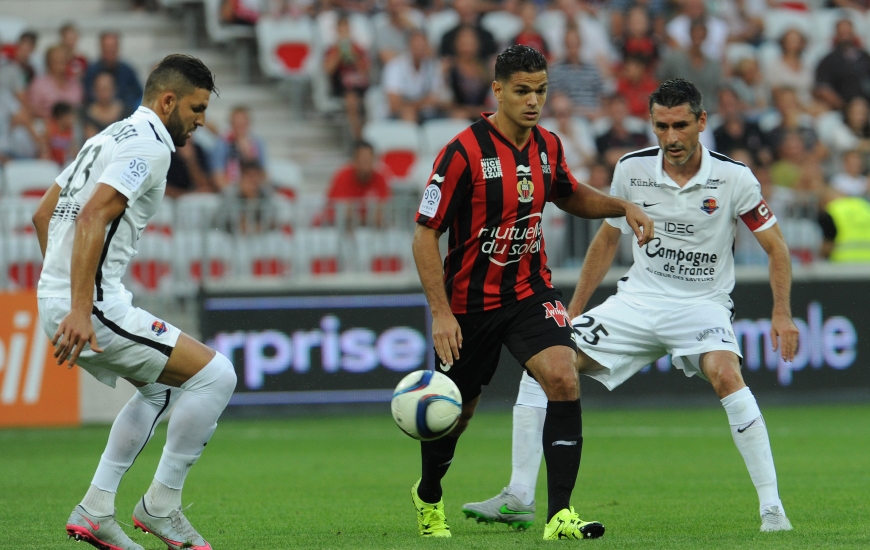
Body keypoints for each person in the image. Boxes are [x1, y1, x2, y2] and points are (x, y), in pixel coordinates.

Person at [462, 78, 798, 534]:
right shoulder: (632, 170)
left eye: (681, 125)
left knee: (725, 373)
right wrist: (573, 311)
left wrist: (782, 312)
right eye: (662, 126)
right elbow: (605, 239)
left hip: (701, 305)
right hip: (637, 301)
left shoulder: (733, 177)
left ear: (701, 122)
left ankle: (772, 509)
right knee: (546, 364)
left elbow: (777, 248)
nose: (672, 137)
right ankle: (519, 494)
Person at [411, 44, 653, 541]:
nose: (533, 101)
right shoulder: (462, 152)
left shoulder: (548, 145)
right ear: (497, 89)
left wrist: (619, 206)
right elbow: (424, 234)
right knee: (455, 415)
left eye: (541, 91)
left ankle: (560, 515)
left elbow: (567, 193)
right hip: (469, 306)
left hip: (529, 292)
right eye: (522, 91)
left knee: (563, 377)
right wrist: (440, 313)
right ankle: (429, 492)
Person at [32, 54, 233, 550]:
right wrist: (80, 306)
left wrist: (61, 290)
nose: (201, 120)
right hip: (91, 305)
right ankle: (161, 506)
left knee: (158, 390)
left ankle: (97, 508)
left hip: (69, 297)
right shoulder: (150, 145)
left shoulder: (107, 136)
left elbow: (43, 214)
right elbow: (91, 218)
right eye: (197, 107)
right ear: (168, 101)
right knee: (217, 375)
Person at [382, 30, 447, 122]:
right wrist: (423, 102)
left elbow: (437, 99)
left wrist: (419, 104)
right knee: (408, 113)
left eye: (422, 46)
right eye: (416, 46)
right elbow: (394, 105)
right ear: (408, 46)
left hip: (428, 114)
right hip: (398, 117)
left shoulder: (433, 66)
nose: (420, 50)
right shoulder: (395, 66)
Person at [323, 14, 370, 140]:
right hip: (341, 86)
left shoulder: (358, 49)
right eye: (341, 30)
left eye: (346, 29)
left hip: (359, 84)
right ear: (337, 32)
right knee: (351, 101)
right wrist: (339, 52)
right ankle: (358, 138)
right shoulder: (332, 49)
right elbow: (328, 70)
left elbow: (366, 71)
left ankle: (366, 135)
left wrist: (354, 55)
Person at [323, 140, 390, 226]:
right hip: (334, 227)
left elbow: (383, 211)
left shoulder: (380, 178)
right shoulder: (342, 176)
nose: (366, 164)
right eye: (362, 160)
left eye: (369, 159)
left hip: (366, 228)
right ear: (355, 160)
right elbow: (342, 212)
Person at [83, 32, 144, 115]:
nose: (109, 50)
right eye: (106, 46)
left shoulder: (127, 70)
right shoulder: (91, 71)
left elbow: (138, 94)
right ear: (101, 47)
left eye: (112, 46)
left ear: (118, 47)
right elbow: (86, 97)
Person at [210, 105, 267, 189]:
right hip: (231, 189)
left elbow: (263, 174)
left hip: (253, 189)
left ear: (248, 123)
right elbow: (218, 175)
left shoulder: (258, 143)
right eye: (237, 122)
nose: (240, 125)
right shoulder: (222, 144)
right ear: (231, 123)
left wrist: (248, 154)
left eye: (243, 122)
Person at [28, 45, 84, 119]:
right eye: (57, 60)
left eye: (64, 60)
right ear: (49, 62)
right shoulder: (39, 84)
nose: (61, 64)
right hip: (47, 125)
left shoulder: (75, 84)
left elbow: (79, 108)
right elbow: (32, 109)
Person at [817, 189, 870, 261]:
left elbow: (827, 247)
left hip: (843, 264)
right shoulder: (865, 206)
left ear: (825, 200)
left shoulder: (832, 211)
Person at [83, 70, 128, 139]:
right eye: (100, 89)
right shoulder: (87, 113)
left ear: (114, 89)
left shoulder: (125, 111)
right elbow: (93, 142)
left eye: (107, 89)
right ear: (94, 90)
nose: (104, 94)